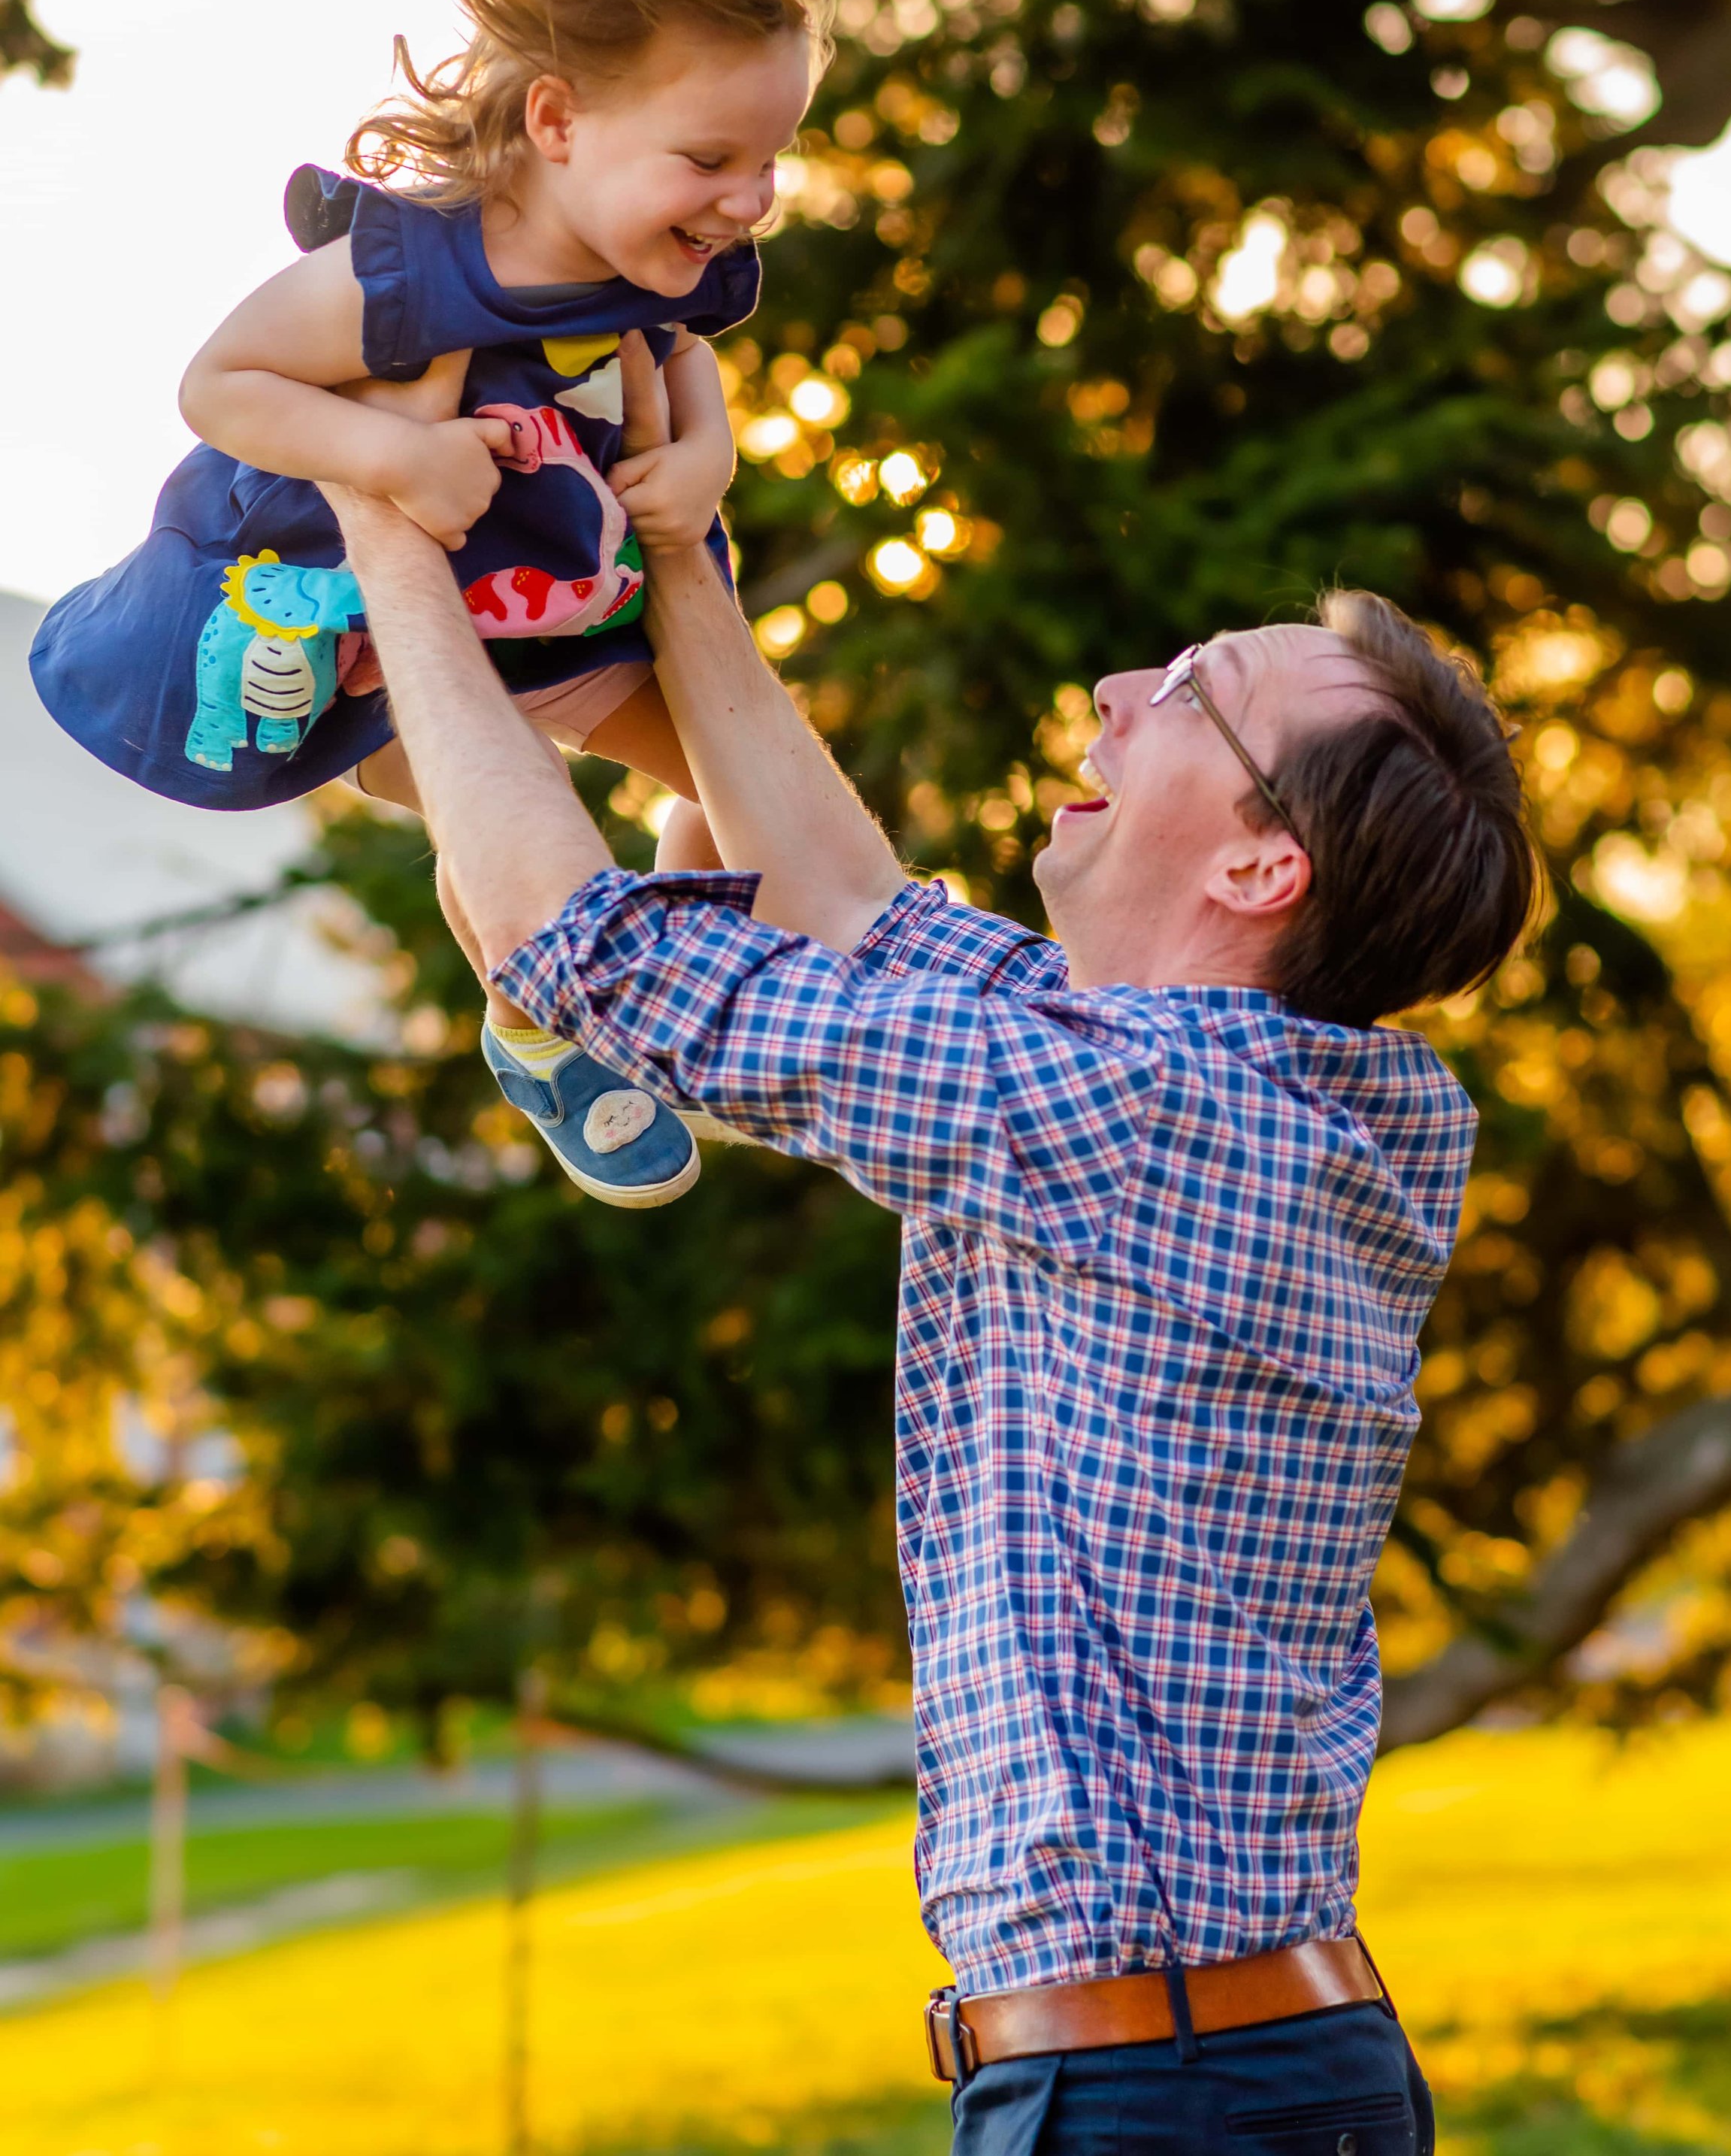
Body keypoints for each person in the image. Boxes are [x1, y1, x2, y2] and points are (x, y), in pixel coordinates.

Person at [317, 480, 1537, 2156]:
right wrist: (679, 553)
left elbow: (578, 947)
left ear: (1264, 860)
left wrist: (382, 530)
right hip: (1210, 2066)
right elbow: (849, 906)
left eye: (1192, 693)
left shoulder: (1151, 1116)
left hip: (1154, 2092)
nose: (1122, 692)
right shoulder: (1210, 1086)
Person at [30, 0, 831, 1209]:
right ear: (558, 122)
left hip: (566, 597)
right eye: (711, 157)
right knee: (511, 807)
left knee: (739, 790)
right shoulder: (408, 276)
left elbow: (687, 358)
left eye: (769, 160)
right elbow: (222, 385)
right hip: (387, 636)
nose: (745, 201)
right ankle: (538, 1024)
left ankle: (657, 980)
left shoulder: (669, 258)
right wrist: (393, 456)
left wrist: (701, 452)